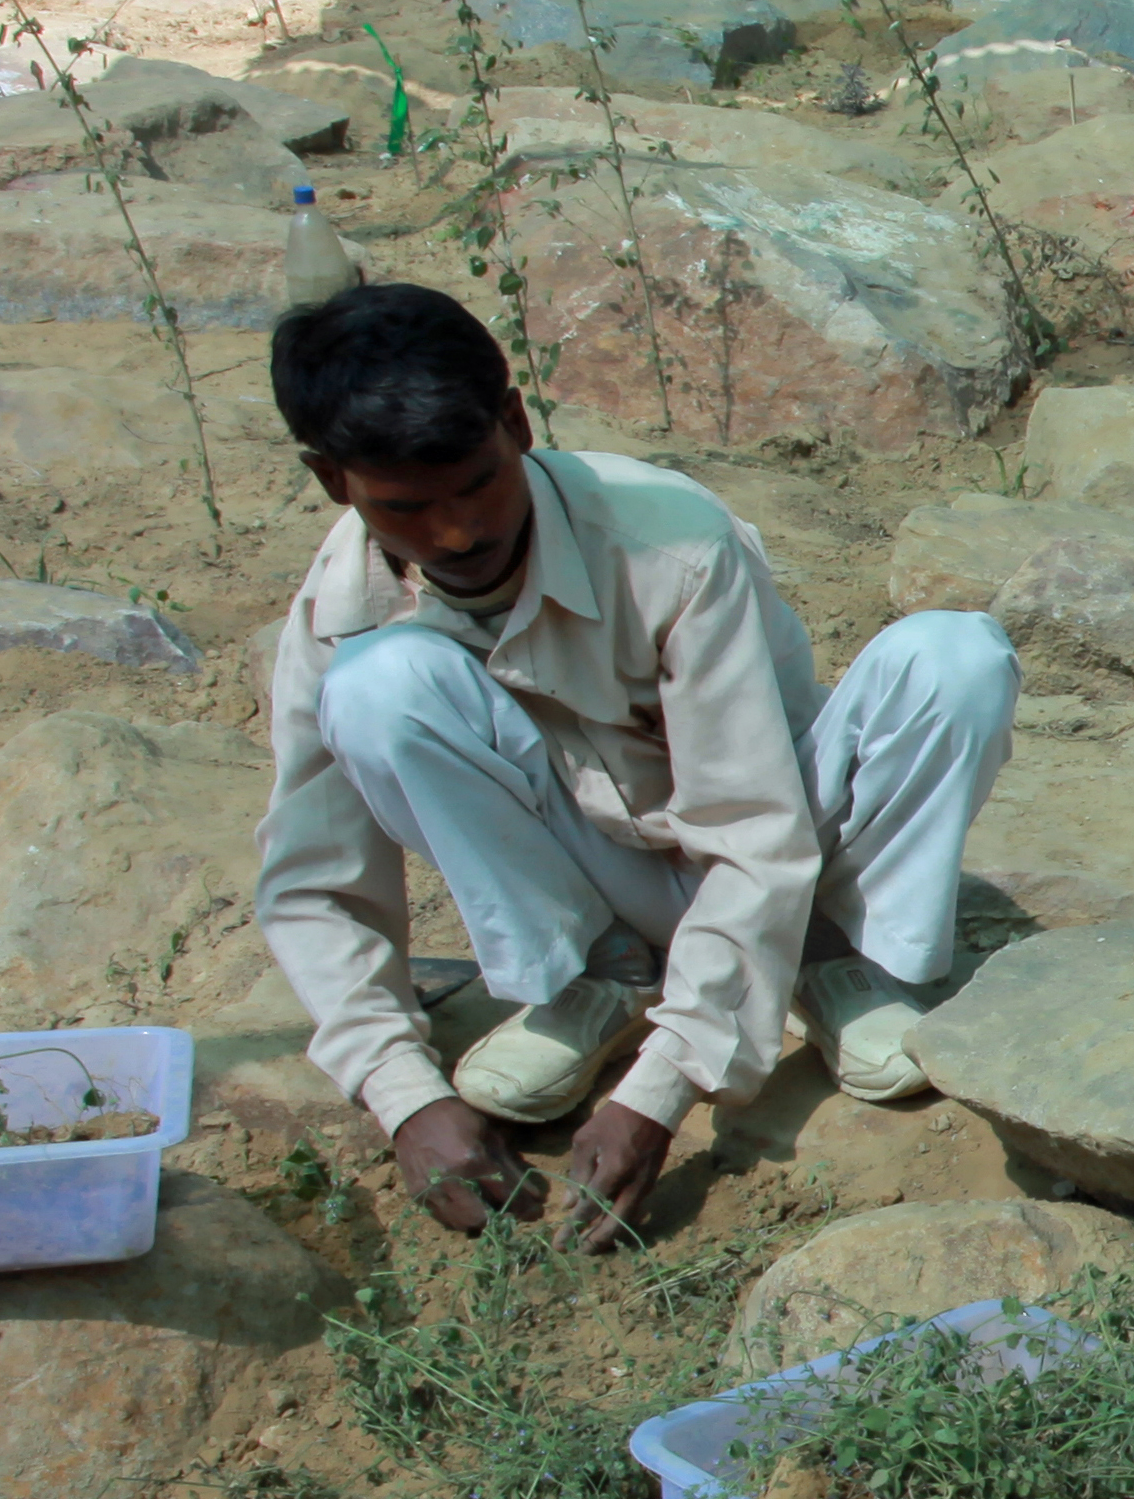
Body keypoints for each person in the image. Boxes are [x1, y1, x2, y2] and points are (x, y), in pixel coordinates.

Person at [253, 285, 1019, 1246]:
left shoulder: (669, 542)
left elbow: (751, 824)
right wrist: (399, 1093)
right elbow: (317, 882)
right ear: (334, 482)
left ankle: (850, 966)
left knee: (956, 661)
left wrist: (662, 1088)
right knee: (380, 688)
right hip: (610, 883)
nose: (455, 534)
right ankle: (594, 981)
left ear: (516, 422)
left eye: (477, 484)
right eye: (406, 507)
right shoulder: (341, 609)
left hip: (799, 851)